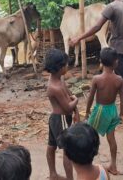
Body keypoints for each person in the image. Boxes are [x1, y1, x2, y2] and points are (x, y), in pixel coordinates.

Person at [85, 47, 123, 175]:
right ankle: (113, 165)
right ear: (116, 62)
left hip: (100, 110)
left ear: (101, 62)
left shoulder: (97, 79)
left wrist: (87, 112)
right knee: (111, 138)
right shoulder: (119, 80)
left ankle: (87, 165)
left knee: (89, 135)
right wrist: (122, 114)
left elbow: (90, 97)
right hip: (113, 110)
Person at [44, 49, 80, 180]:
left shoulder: (58, 79)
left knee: (51, 145)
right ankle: (69, 178)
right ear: (59, 68)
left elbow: (68, 94)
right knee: (67, 150)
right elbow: (67, 107)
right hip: (62, 119)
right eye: (65, 64)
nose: (67, 66)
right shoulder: (55, 87)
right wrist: (76, 100)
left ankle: (53, 174)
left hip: (56, 119)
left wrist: (76, 111)